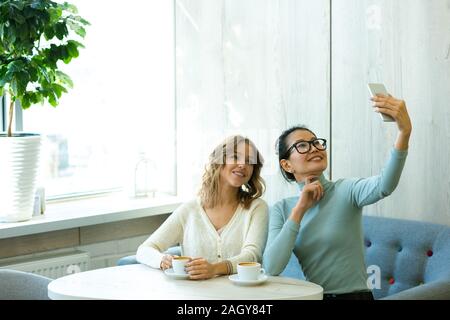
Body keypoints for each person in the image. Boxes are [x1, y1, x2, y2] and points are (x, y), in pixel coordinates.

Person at [263, 93, 412, 300]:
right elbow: (271, 266)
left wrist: (404, 132)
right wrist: (300, 208)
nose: (314, 148)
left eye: (316, 142)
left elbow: (384, 185)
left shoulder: (346, 190)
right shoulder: (283, 209)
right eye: (302, 145)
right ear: (287, 164)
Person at [136, 135, 268, 280]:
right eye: (235, 157)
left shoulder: (257, 208)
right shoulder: (189, 210)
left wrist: (214, 269)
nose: (243, 164)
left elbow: (252, 256)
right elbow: (144, 249)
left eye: (249, 161)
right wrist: (162, 260)